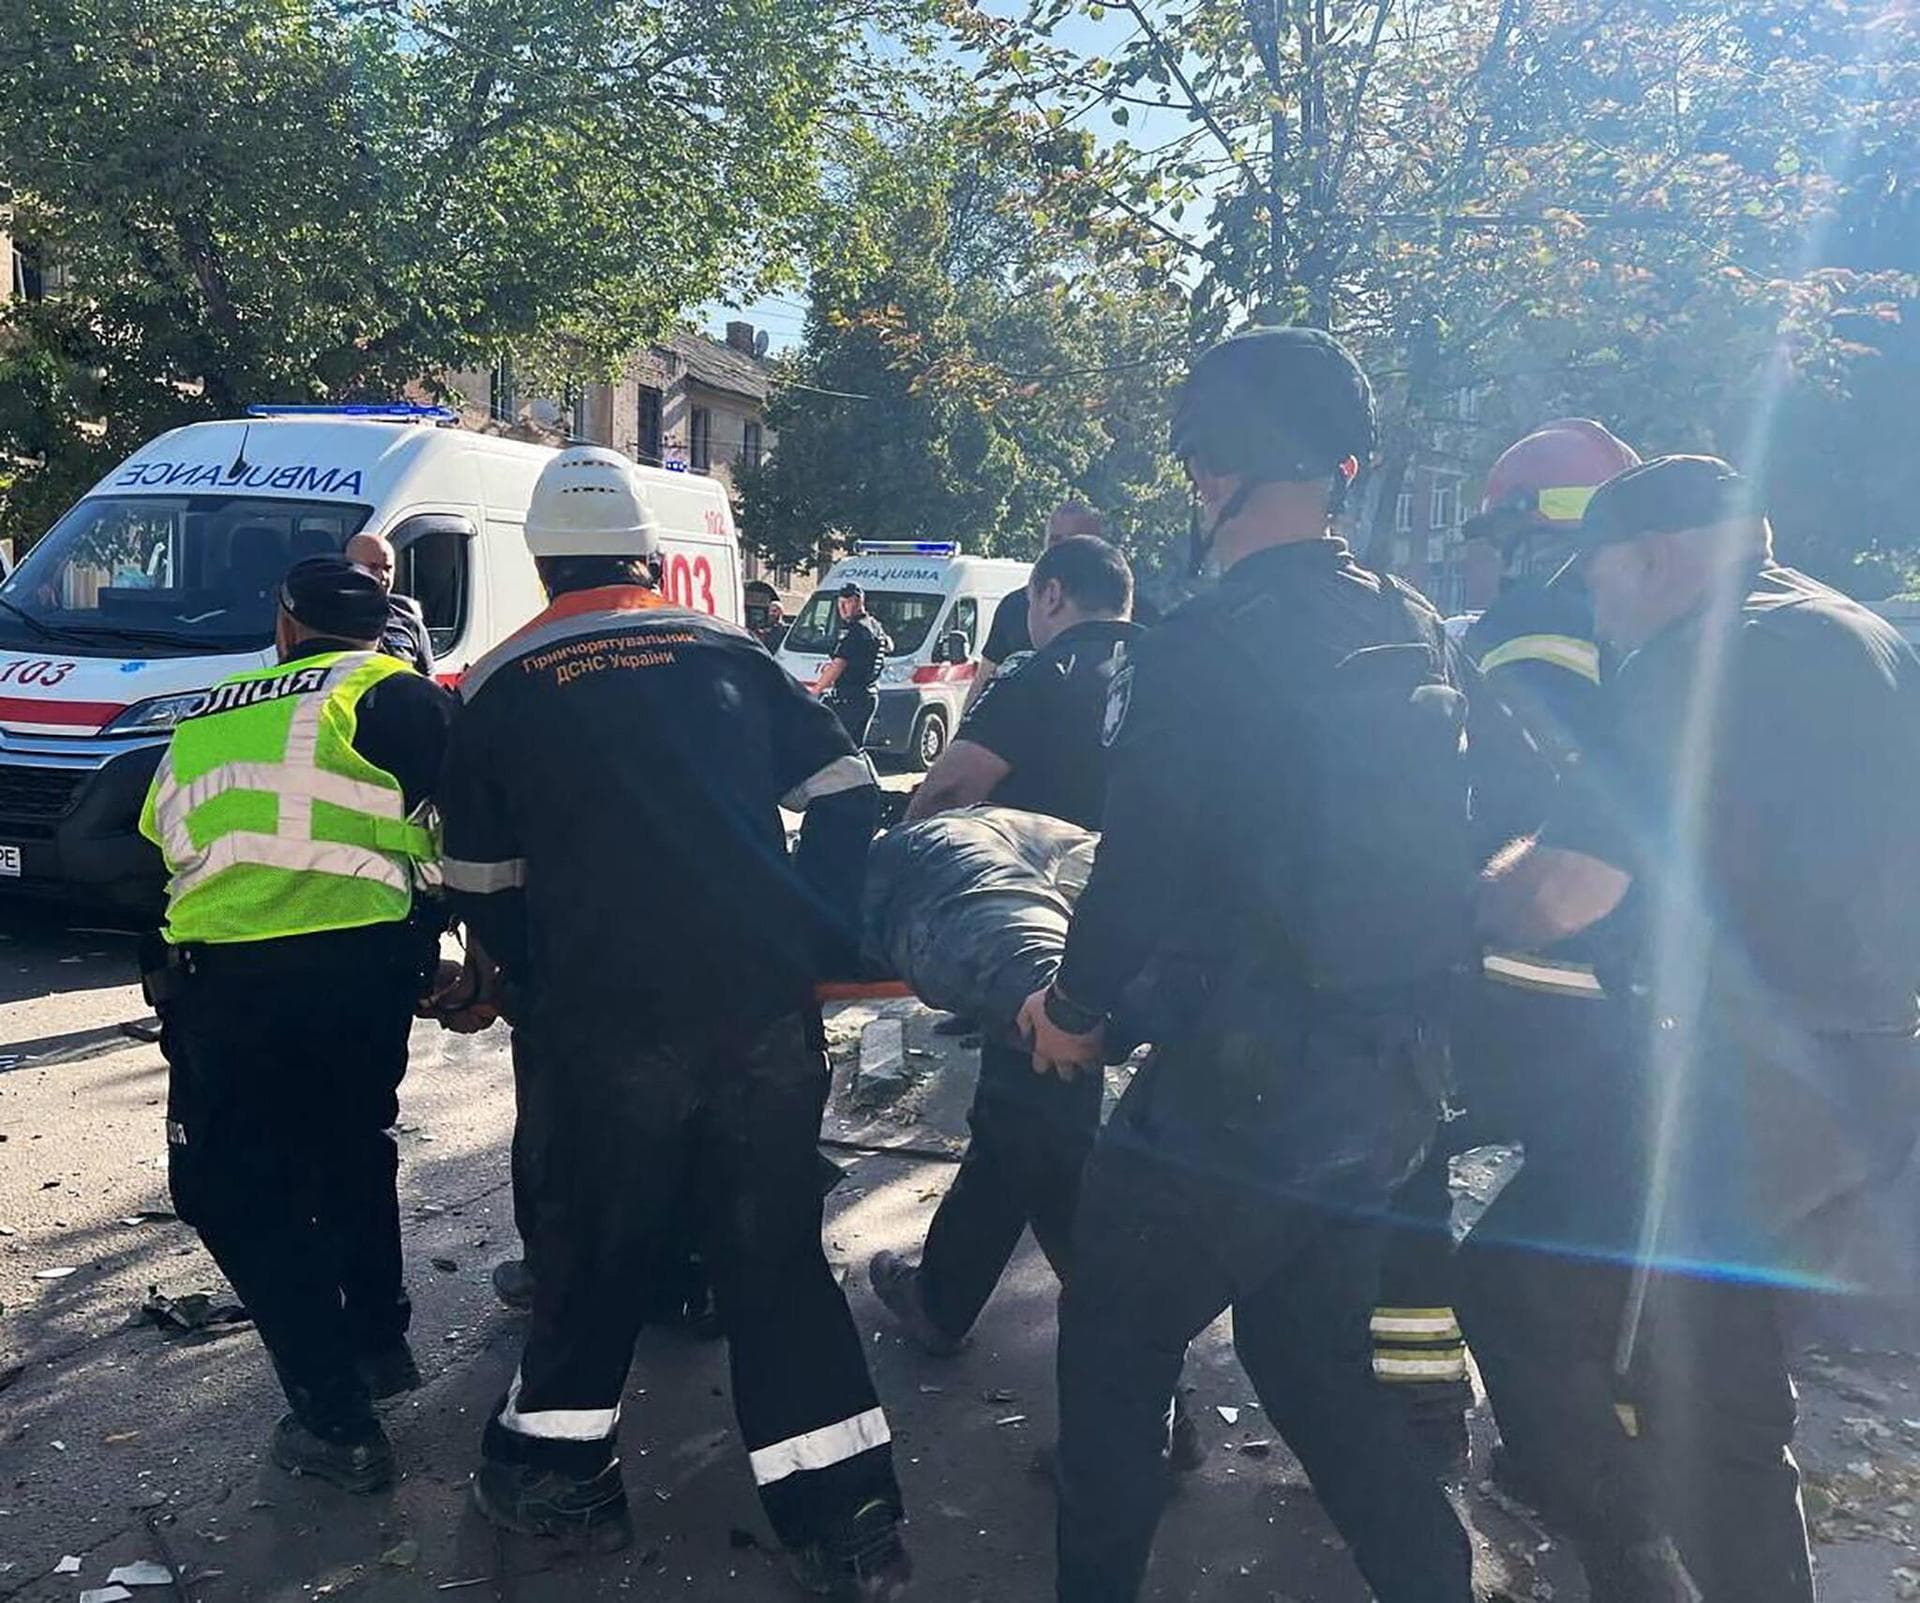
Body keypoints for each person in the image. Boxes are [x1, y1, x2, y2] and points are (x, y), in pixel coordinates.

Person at [1018, 328, 1475, 1603]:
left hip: (1240, 1098)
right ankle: (1434, 1578)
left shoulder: (1201, 646)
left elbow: (1141, 873)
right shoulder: (1415, 623)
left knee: (1112, 1347)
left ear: (1209, 468)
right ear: (1343, 466)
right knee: (1311, 1360)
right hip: (1385, 1091)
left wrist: (1073, 1009)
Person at [437, 446, 908, 1594]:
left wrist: (526, 980)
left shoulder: (500, 683)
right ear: (648, 555)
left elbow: (480, 881)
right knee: (773, 1255)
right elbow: (850, 791)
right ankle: (847, 1524)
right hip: (758, 1008)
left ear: (544, 564)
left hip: (605, 1025)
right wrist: (813, 925)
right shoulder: (734, 655)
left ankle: (559, 1481)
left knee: (598, 1245)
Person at [1479, 455, 1920, 1603]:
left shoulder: (1696, 661)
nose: (1598, 613)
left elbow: (1568, 890)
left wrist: (1470, 893)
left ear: (1656, 556)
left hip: (1741, 1091)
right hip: (1867, 1072)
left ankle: (1639, 1567)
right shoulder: (1872, 641)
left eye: (1600, 584)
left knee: (1523, 1293)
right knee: (1724, 1380)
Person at [138, 554, 452, 1492]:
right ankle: (375, 1342)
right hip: (367, 972)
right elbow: (475, 825)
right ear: (378, 625)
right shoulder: (399, 694)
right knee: (349, 1141)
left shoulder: (212, 707)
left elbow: (157, 831)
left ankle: (335, 1416)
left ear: (285, 624)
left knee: (226, 1190)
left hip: (231, 980)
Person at [1370, 420, 1643, 1477]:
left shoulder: (1522, 631)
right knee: (1587, 1218)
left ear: (1535, 528)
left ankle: (1418, 1409)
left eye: (1488, 526)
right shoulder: (1666, 639)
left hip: (1506, 965)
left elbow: (1466, 801)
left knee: (1408, 1158)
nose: (1480, 547)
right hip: (1627, 995)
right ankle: (1575, 1448)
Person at [869, 536, 1143, 1355]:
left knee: (1049, 1143)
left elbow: (954, 785)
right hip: (1138, 927)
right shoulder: (1168, 672)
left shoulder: (1041, 672)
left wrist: (900, 879)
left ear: (1052, 594)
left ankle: (1135, 1374)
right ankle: (940, 1299)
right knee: (1013, 1120)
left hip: (1035, 942)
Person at [963, 500, 1105, 715]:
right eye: (1055, 542)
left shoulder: (1123, 610)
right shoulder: (1015, 606)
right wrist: (961, 736)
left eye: (1074, 542)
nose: (1062, 552)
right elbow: (984, 679)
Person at [344, 531, 435, 676]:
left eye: (387, 568)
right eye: (372, 567)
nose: (383, 576)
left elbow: (429, 685)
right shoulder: (330, 622)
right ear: (349, 568)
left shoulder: (409, 624)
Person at [811, 582, 891, 747]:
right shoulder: (874, 625)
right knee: (856, 747)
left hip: (851, 698)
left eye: (846, 603)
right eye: (840, 603)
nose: (841, 608)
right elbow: (889, 646)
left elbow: (839, 664)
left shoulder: (856, 631)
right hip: (869, 695)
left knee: (838, 746)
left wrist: (815, 692)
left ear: (858, 601)